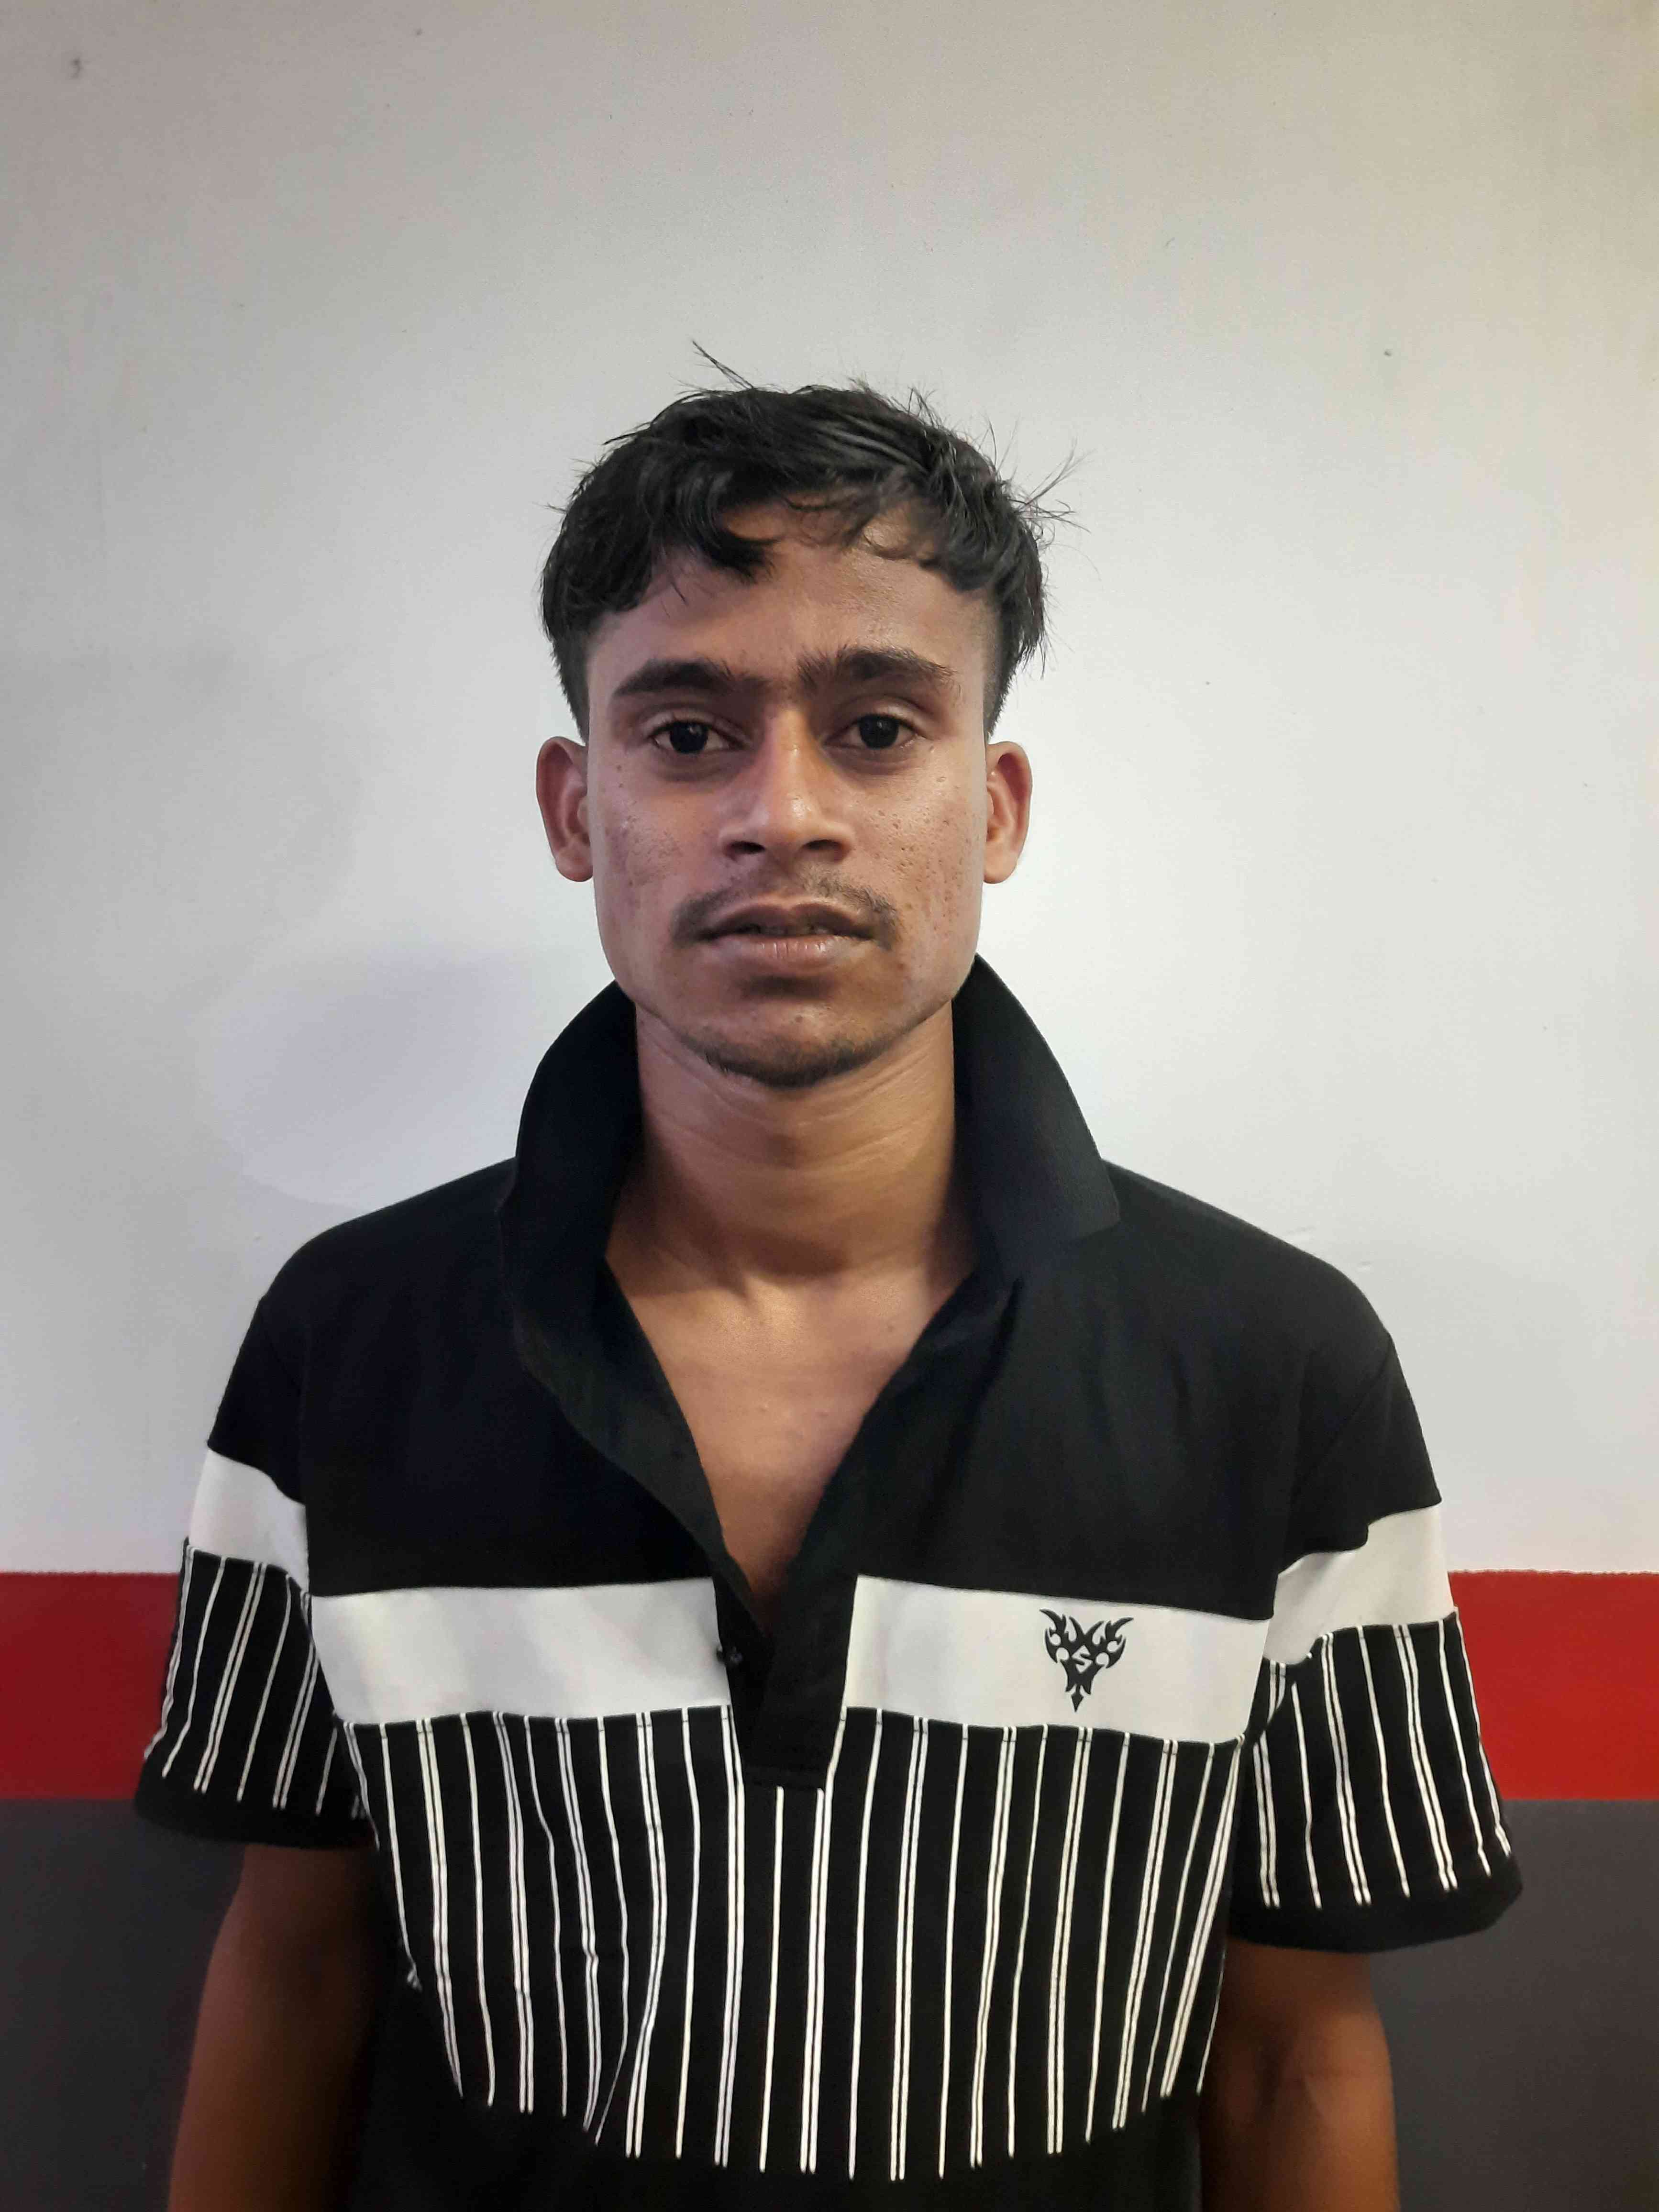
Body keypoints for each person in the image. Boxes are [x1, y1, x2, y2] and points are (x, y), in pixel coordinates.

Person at [134, 361, 1521, 2211]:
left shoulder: (1274, 1364)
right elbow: (297, 1975)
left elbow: (1288, 2056)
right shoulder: (352, 1339)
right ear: (576, 805)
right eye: (685, 733)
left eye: (875, 728)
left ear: (993, 804)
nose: (781, 813)